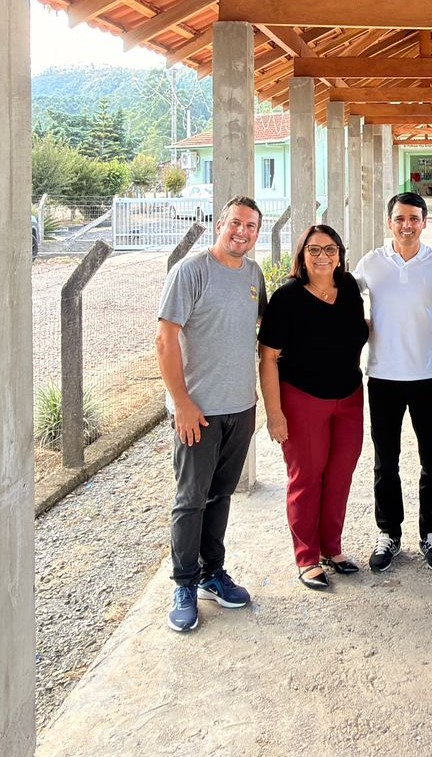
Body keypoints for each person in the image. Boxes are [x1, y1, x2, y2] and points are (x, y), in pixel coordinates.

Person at [156, 196, 267, 632]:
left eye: (251, 226)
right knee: (190, 501)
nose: (243, 232)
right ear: (220, 224)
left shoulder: (254, 275)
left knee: (221, 496)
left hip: (240, 407)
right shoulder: (191, 271)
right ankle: (183, 583)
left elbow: (257, 329)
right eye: (235, 223)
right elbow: (165, 339)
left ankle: (212, 573)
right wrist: (181, 402)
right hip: (197, 413)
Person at [258, 225, 369, 591]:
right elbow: (268, 356)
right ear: (302, 255)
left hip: (350, 397)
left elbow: (357, 329)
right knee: (306, 478)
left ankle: (331, 548)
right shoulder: (287, 297)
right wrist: (275, 414)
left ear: (340, 253)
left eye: (331, 249)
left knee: (340, 476)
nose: (323, 256)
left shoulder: (349, 287)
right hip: (303, 399)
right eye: (314, 249)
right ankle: (307, 557)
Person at [353, 193, 432, 573]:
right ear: (389, 222)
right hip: (382, 377)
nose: (407, 225)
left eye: (414, 218)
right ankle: (389, 533)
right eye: (400, 218)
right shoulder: (372, 263)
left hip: (428, 377)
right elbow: (342, 298)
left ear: (425, 222)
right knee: (386, 462)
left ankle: (431, 532)